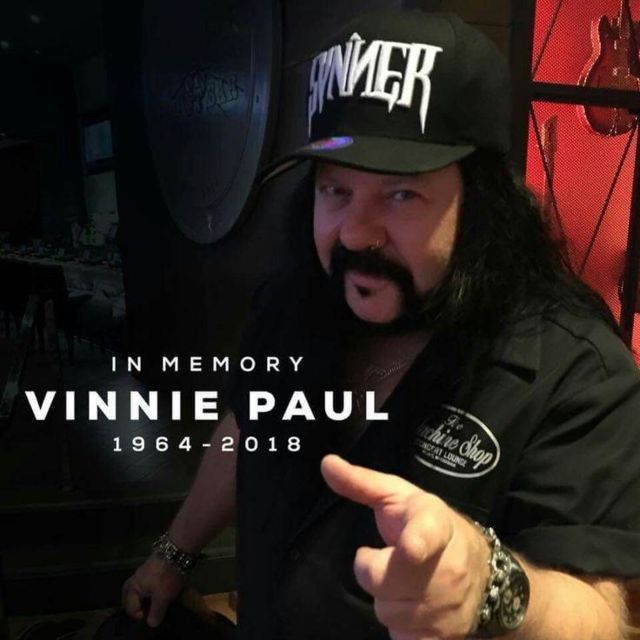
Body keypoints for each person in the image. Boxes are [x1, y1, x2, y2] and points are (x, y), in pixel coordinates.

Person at [122, 10, 640, 640]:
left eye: (401, 195)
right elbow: (249, 424)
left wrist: (490, 584)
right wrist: (173, 553)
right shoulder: (292, 303)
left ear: (481, 205)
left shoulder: (573, 369)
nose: (356, 235)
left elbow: (602, 616)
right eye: (335, 190)